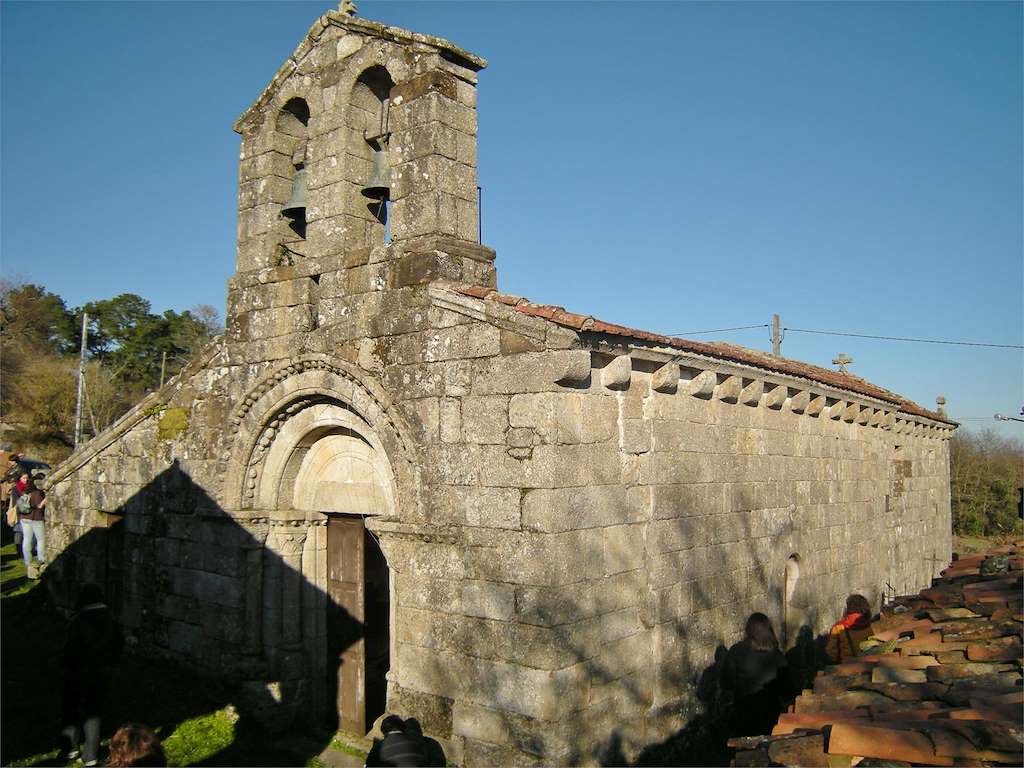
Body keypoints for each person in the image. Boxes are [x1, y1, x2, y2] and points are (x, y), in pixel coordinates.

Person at [60, 583, 124, 767]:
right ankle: (91, 755)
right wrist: (111, 663)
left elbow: (69, 649)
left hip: (77, 672)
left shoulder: (78, 621)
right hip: (101, 672)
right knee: (93, 713)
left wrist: (65, 665)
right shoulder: (110, 619)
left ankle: (70, 748)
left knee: (71, 709)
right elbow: (119, 645)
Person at [721, 613, 790, 737]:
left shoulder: (736, 652)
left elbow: (726, 682)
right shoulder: (777, 656)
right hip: (770, 718)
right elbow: (787, 689)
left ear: (748, 631)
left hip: (743, 715)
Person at [365, 714, 431, 767]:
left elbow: (369, 764)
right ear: (403, 728)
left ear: (383, 731)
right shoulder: (417, 743)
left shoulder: (379, 746)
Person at [825, 594, 873, 663]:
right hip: (866, 665)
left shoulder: (838, 627)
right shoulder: (870, 625)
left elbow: (831, 654)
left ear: (848, 608)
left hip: (846, 667)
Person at [18, 473, 46, 578]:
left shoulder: (26, 491)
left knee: (27, 540)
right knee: (40, 540)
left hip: (24, 518)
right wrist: (46, 499)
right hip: (36, 519)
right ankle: (41, 559)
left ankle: (27, 561)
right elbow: (39, 506)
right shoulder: (38, 493)